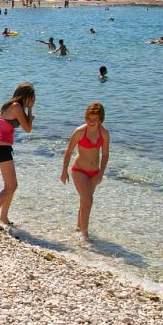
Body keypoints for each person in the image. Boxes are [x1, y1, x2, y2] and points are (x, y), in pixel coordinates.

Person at [0, 83, 36, 230]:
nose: (33, 101)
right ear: (26, 96)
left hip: (1, 148)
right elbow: (28, 129)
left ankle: (4, 217)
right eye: (32, 98)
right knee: (11, 186)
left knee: (11, 186)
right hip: (1, 149)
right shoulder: (16, 107)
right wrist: (30, 109)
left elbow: (26, 126)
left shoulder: (11, 106)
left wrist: (28, 112)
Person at [60, 103, 110, 241]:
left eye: (94, 119)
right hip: (79, 171)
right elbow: (68, 152)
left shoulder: (104, 133)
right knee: (88, 200)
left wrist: (101, 173)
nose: (90, 121)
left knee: (85, 201)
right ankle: (85, 235)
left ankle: (79, 226)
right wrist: (64, 171)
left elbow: (105, 154)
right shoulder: (80, 132)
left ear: (100, 119)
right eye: (88, 118)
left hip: (94, 173)